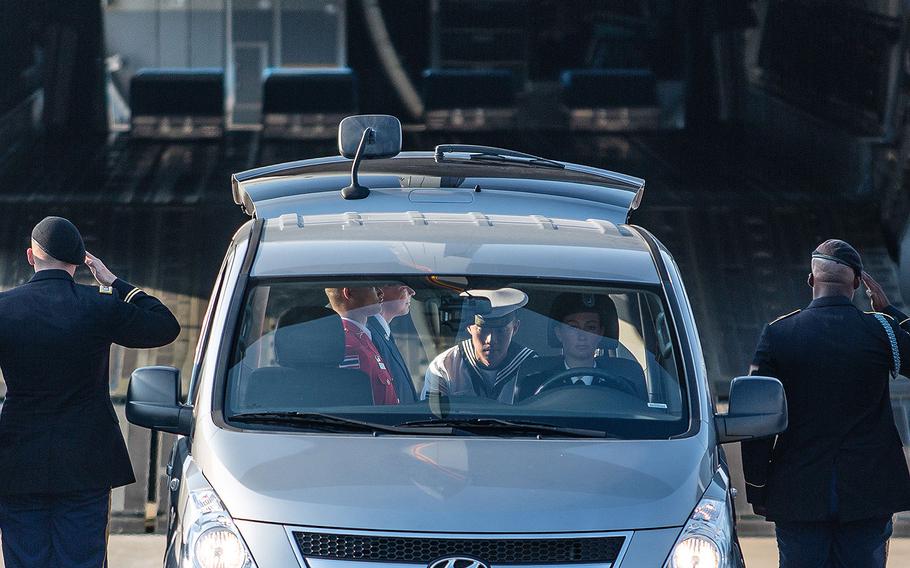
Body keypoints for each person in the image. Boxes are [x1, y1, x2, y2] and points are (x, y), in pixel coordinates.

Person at [0, 216, 181, 568]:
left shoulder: (5, 309)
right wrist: (116, 283)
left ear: (30, 256)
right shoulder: (98, 305)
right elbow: (164, 326)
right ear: (81, 261)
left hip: (18, 460)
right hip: (86, 463)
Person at [741, 239, 910, 568]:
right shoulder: (881, 331)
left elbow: (756, 418)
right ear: (859, 284)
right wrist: (890, 311)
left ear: (811, 280)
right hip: (868, 494)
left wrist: (757, 488)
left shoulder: (780, 334)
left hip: (798, 494)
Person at [512, 293, 646, 402]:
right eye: (573, 327)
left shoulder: (622, 386)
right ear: (559, 333)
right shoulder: (533, 382)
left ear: (600, 334)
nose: (582, 335)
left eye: (590, 327)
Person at [421, 288, 536, 402]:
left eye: (501, 331)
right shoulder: (445, 366)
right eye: (483, 330)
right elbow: (431, 416)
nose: (491, 339)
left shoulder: (533, 367)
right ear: (469, 327)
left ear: (515, 328)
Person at [325, 286, 398, 405]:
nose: (380, 292)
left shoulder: (361, 337)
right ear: (348, 293)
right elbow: (354, 407)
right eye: (373, 288)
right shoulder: (348, 345)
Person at [368, 283, 418, 403]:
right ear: (380, 290)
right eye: (404, 286)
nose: (412, 292)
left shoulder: (381, 332)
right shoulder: (369, 334)